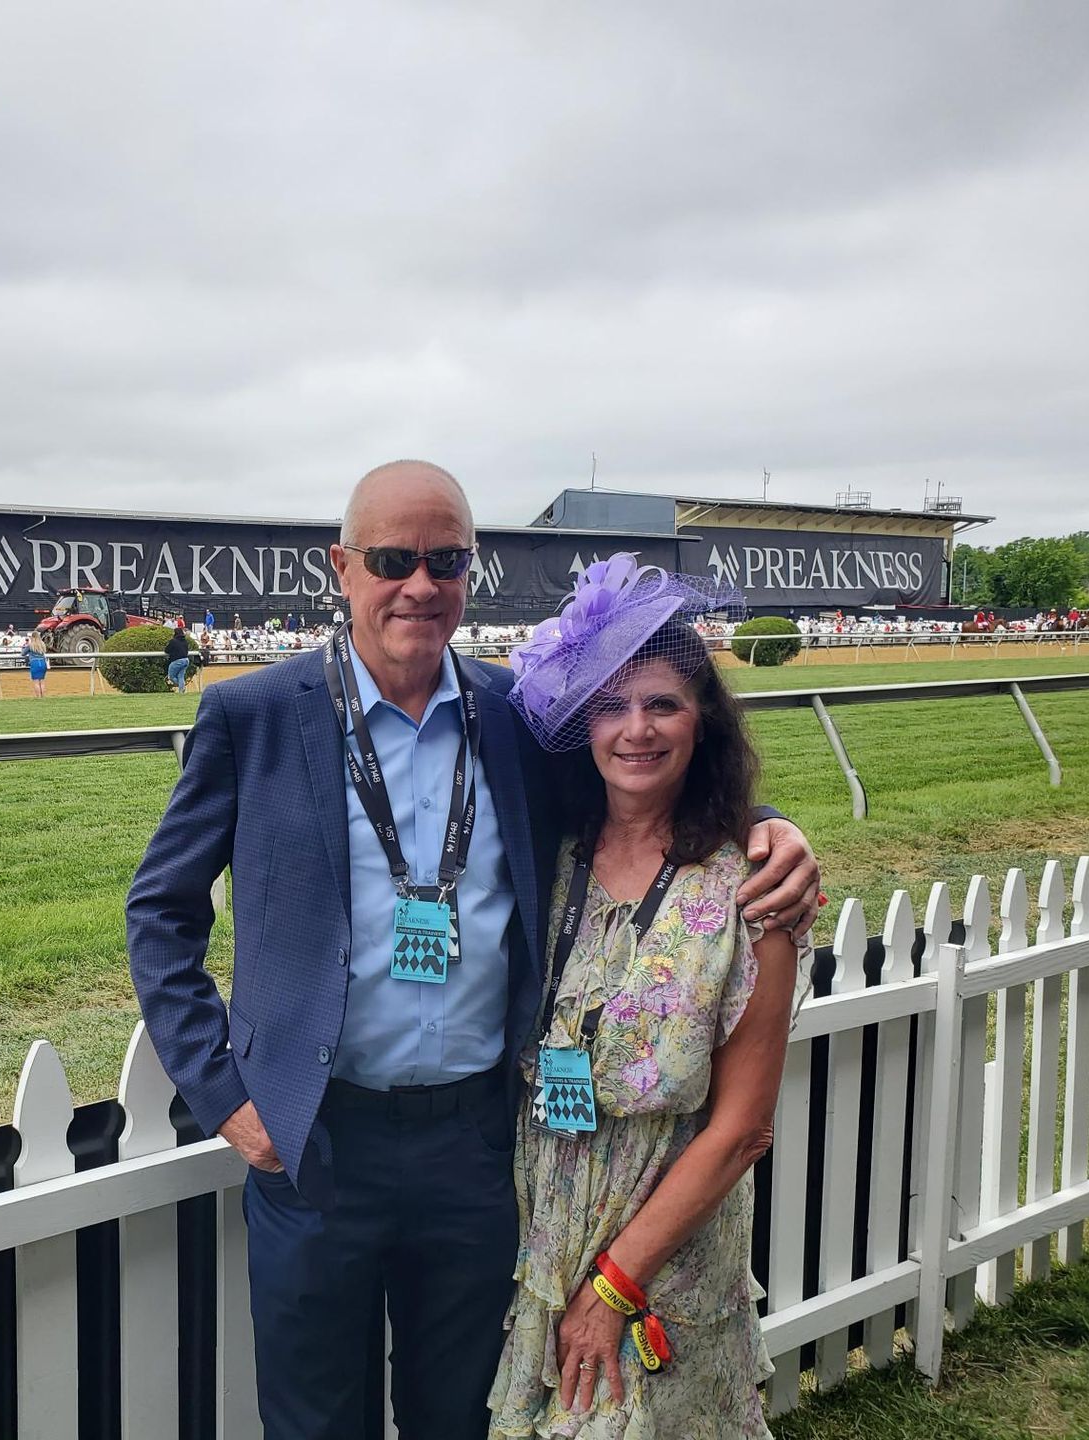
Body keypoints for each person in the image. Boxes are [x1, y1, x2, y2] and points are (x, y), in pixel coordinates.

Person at [124, 461, 819, 1439]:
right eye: (394, 559)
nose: (419, 583)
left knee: (463, 1418)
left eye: (444, 559)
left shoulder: (518, 720)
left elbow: (652, 770)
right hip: (318, 1142)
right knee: (316, 1421)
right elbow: (160, 914)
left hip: (477, 1150)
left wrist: (769, 827)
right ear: (343, 568)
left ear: (470, 569)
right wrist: (228, 1100)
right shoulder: (256, 717)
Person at [485, 555, 811, 1438]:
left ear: (703, 722)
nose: (637, 729)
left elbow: (742, 1128)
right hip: (540, 1238)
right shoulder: (549, 856)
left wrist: (613, 1287)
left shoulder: (751, 891)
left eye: (663, 702)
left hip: (661, 1260)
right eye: (612, 706)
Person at [165, 623, 191, 694]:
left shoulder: (173, 641)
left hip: (177, 661)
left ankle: (182, 687)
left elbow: (166, 650)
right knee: (181, 676)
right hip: (186, 660)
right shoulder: (185, 641)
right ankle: (181, 691)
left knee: (171, 676)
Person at [24, 632, 49, 697]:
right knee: (42, 682)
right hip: (43, 663)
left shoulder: (30, 645)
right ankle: (43, 696)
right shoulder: (42, 644)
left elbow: (23, 653)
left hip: (35, 663)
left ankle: (38, 697)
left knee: (36, 682)